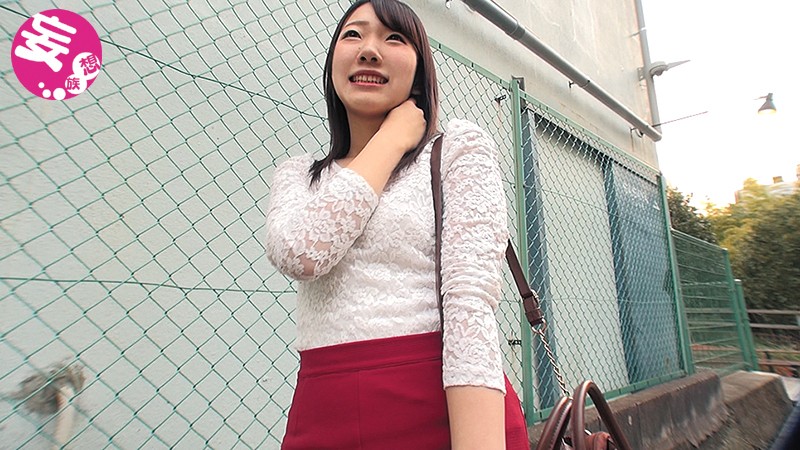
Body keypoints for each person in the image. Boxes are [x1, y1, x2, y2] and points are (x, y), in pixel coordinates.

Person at [264, 1, 529, 448]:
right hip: (324, 412)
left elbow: (469, 300)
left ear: (420, 70)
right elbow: (302, 254)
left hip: (444, 407)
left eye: (394, 38)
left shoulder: (457, 150)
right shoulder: (298, 176)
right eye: (353, 35)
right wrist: (391, 138)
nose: (369, 50)